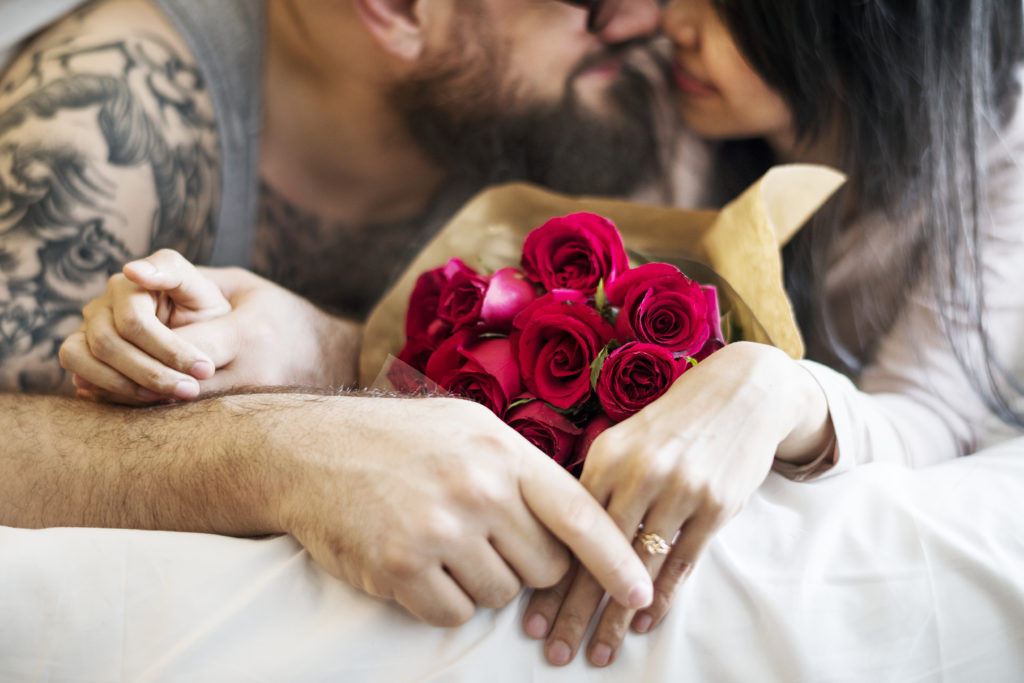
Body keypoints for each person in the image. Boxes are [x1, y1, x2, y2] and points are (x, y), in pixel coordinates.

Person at [0, 0, 674, 628]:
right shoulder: (110, 120)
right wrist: (278, 452)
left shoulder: (613, 88)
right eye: (595, 0)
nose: (647, 17)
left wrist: (330, 352)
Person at [517, 0, 1024, 668]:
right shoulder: (679, 100)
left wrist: (777, 390)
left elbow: (934, 415)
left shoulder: (997, 146)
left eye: (732, 10)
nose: (677, 26)